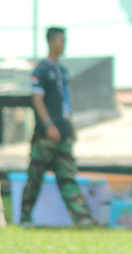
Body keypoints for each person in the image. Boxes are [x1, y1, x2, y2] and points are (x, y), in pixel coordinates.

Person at [20, 26, 96, 228]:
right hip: (46, 135)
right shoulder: (42, 70)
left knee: (67, 176)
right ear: (51, 42)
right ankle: (25, 218)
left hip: (63, 133)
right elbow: (38, 100)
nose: (64, 44)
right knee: (35, 177)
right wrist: (48, 125)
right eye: (61, 40)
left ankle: (83, 218)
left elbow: (65, 102)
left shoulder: (62, 70)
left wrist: (68, 126)